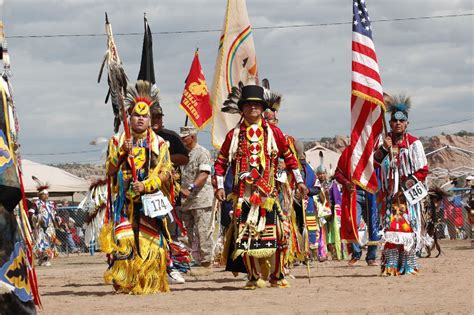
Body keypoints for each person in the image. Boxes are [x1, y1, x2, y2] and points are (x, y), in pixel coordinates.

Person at [214, 84, 308, 289]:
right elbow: (220, 163)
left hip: (269, 194)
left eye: (256, 105)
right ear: (242, 109)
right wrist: (220, 186)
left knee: (280, 236)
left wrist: (299, 181)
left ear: (262, 107)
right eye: (248, 105)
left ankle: (277, 274)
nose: (252, 108)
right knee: (245, 237)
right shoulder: (233, 135)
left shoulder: (274, 133)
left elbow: (290, 158)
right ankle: (254, 277)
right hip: (243, 196)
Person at [99, 80, 173, 294]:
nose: (140, 119)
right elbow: (110, 171)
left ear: (151, 120)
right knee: (124, 239)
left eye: (145, 116)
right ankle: (125, 281)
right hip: (124, 201)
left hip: (149, 201)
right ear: (129, 117)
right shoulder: (117, 141)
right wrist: (122, 151)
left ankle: (147, 281)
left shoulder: (159, 144)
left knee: (149, 242)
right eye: (136, 115)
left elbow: (165, 172)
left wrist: (147, 185)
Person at [374, 94, 429, 276]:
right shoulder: (383, 141)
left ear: (407, 123)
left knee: (409, 228)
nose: (398, 124)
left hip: (407, 197)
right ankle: (390, 264)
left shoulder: (414, 144)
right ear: (390, 123)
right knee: (390, 228)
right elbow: (373, 164)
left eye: (402, 120)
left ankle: (408, 265)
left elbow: (423, 170)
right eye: (394, 121)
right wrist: (384, 148)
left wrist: (406, 184)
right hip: (389, 196)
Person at [150, 103, 190, 284]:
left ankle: (172, 267)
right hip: (142, 191)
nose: (155, 120)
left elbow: (184, 158)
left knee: (169, 229)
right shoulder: (135, 138)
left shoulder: (170, 137)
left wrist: (163, 158)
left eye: (158, 117)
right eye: (152, 117)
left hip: (167, 192)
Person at [334, 147, 380, 267]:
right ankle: (356, 254)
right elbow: (338, 173)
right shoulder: (348, 152)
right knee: (353, 222)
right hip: (354, 193)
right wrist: (346, 182)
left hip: (371, 192)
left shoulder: (375, 150)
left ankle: (371, 256)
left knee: (373, 224)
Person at [178, 126, 214, 268]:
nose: (182, 140)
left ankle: (206, 260)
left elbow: (204, 174)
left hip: (201, 199)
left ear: (192, 137)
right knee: (189, 231)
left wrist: (190, 188)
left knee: (203, 230)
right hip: (186, 201)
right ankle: (194, 258)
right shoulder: (183, 155)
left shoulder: (202, 152)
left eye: (184, 138)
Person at [32, 184, 58, 266]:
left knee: (50, 242)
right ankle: (44, 259)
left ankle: (42, 259)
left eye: (47, 194)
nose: (46, 196)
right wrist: (35, 219)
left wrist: (58, 219)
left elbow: (54, 213)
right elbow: (31, 213)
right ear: (40, 195)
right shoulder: (36, 203)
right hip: (41, 227)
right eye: (44, 194)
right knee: (42, 242)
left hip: (50, 227)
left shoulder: (51, 203)